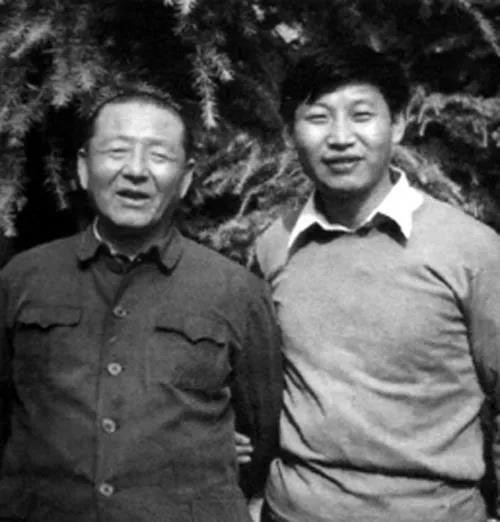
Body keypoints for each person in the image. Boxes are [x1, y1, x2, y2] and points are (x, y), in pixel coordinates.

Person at [0, 88, 282, 521]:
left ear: (185, 178)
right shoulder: (23, 278)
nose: (135, 171)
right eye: (116, 151)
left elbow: (260, 433)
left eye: (159, 156)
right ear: (83, 167)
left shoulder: (235, 290)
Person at [254, 44, 500, 522]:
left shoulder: (470, 250)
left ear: (399, 124)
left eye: (362, 115)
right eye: (318, 118)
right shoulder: (275, 245)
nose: (340, 138)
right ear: (289, 134)